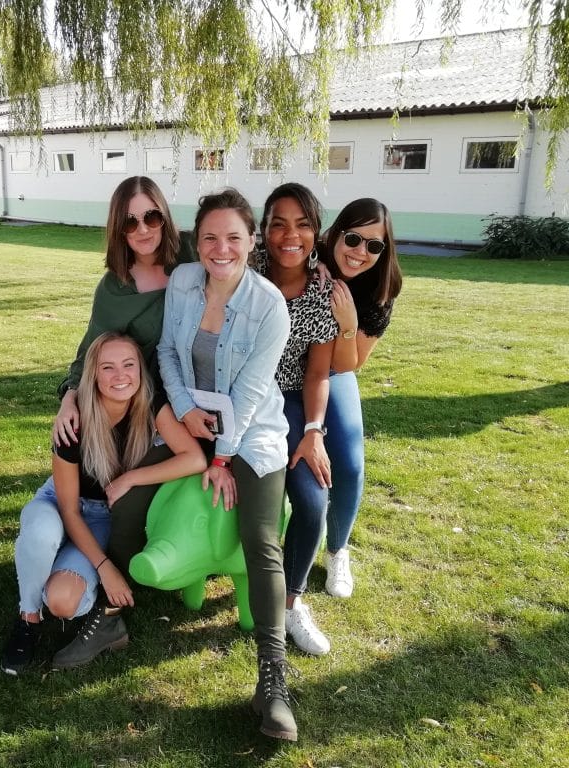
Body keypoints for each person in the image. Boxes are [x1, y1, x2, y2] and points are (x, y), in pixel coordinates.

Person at [158, 188, 297, 742]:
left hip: (252, 432)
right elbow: (167, 352)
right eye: (210, 238)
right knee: (135, 492)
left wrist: (222, 455)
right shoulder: (182, 282)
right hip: (191, 418)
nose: (221, 249)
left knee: (260, 539)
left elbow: (252, 390)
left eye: (234, 238)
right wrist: (185, 410)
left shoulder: (269, 306)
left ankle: (273, 680)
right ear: (197, 241)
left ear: (252, 241)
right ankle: (108, 606)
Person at [1, 332, 206, 675]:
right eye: (107, 367)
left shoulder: (151, 405)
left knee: (63, 602)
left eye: (128, 365)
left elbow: (194, 459)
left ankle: (49, 570)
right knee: (41, 535)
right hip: (61, 503)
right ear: (93, 375)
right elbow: (68, 509)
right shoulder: (75, 418)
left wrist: (131, 478)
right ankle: (28, 617)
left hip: (100, 517)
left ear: (140, 370)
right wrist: (105, 567)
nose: (120, 375)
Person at [51, 176, 196, 579]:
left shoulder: (192, 254)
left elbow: (239, 248)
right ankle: (112, 570)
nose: (143, 229)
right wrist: (69, 397)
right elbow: (90, 353)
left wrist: (316, 263)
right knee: (130, 502)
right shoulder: (114, 288)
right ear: (119, 228)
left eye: (152, 216)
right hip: (154, 405)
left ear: (165, 216)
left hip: (205, 390)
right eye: (131, 222)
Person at [250, 183, 341, 657]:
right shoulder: (243, 272)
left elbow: (318, 373)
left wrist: (313, 432)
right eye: (279, 224)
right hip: (239, 400)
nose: (291, 235)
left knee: (312, 499)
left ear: (316, 232)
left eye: (303, 225)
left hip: (289, 403)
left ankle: (291, 602)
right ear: (263, 230)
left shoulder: (322, 292)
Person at [313, 197, 402, 600]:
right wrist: (309, 265)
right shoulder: (311, 254)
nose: (360, 252)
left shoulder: (382, 288)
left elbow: (350, 364)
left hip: (335, 369)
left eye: (374, 245)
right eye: (353, 239)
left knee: (349, 464)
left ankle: (337, 551)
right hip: (283, 368)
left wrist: (348, 324)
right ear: (336, 234)